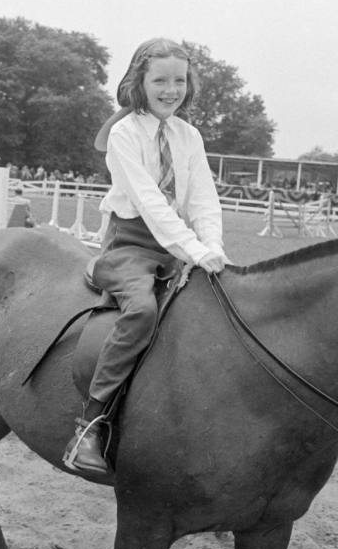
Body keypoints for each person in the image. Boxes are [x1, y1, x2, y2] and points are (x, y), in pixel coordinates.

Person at [63, 38, 229, 474]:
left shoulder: (188, 135)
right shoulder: (124, 133)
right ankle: (90, 424)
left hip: (174, 245)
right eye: (160, 80)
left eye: (179, 80)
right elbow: (151, 203)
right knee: (140, 310)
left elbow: (203, 200)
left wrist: (212, 247)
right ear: (140, 80)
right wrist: (192, 248)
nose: (170, 89)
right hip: (131, 244)